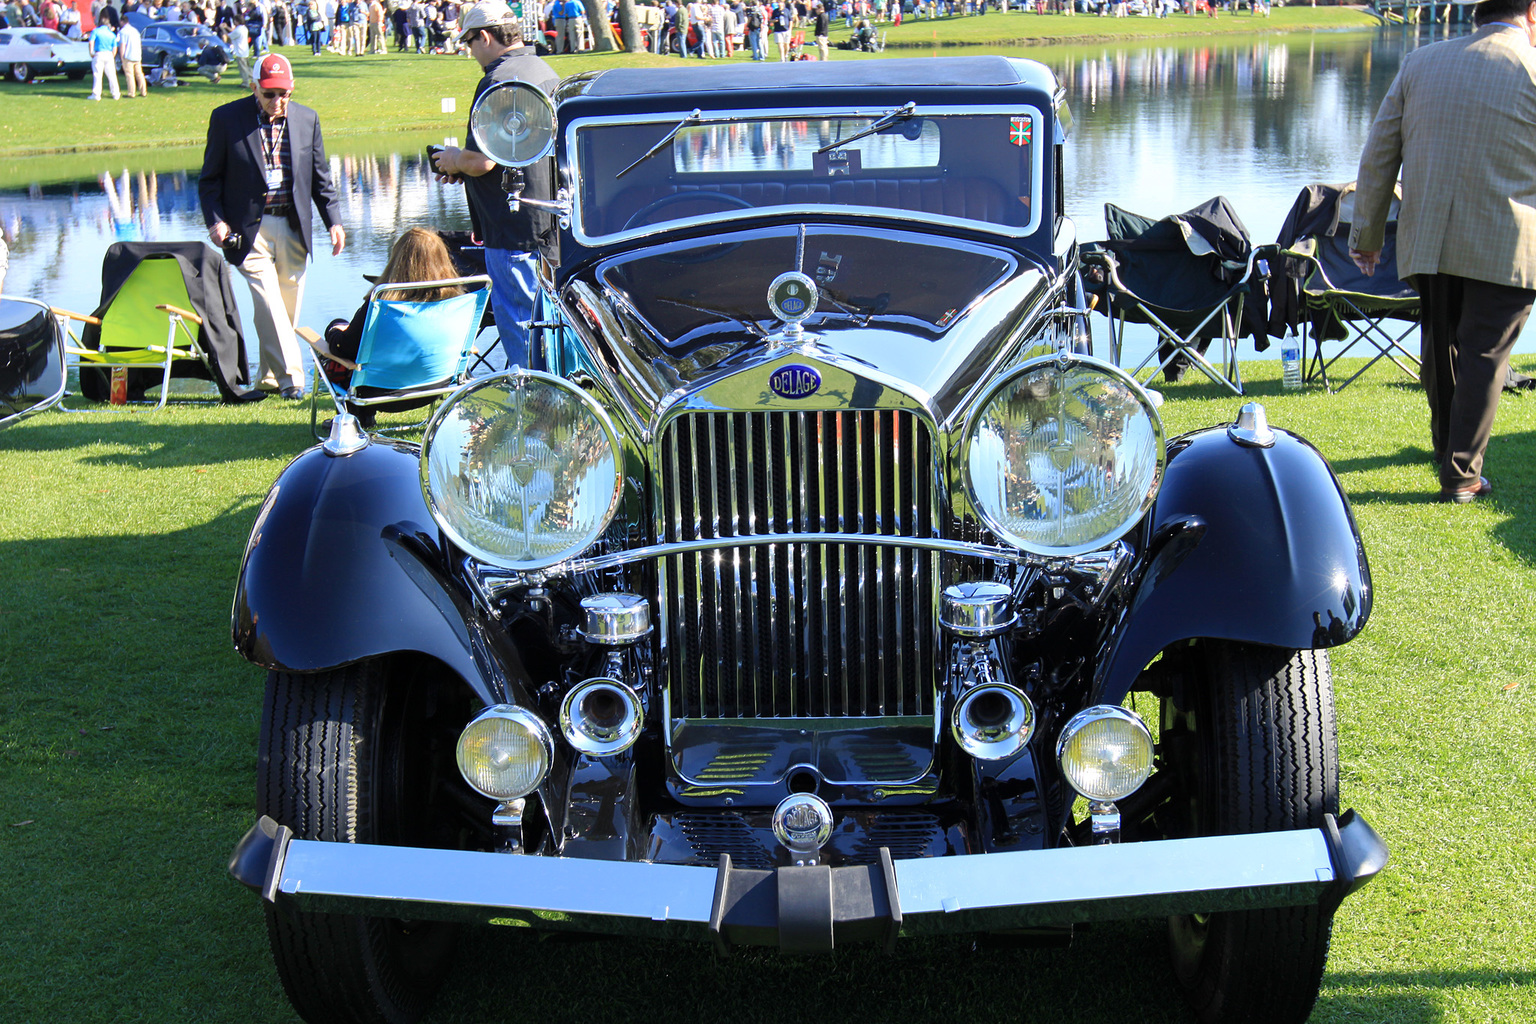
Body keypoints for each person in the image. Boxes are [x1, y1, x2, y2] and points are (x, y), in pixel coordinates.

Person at [1350, 0, 1536, 504]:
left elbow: (1380, 150)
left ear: (1478, 12)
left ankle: (1446, 450)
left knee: (1441, 345)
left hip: (1429, 234)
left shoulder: (1420, 62)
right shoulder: (1532, 68)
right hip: (1509, 237)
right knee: (1484, 353)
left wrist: (1366, 234)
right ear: (1532, 13)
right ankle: (1461, 475)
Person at [199, 53, 346, 398]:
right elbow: (209, 182)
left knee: (284, 311)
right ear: (253, 88)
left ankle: (267, 378)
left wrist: (334, 222)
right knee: (269, 303)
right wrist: (216, 223)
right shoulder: (226, 119)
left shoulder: (307, 119)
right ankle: (294, 379)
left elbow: (320, 178)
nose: (278, 101)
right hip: (248, 232)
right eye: (270, 94)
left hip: (293, 227)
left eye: (285, 94)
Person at [431, 1, 557, 370]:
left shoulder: (498, 80)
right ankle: (558, 400)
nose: (471, 53)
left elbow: (482, 160)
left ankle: (534, 407)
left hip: (512, 229)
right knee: (549, 326)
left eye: (469, 44)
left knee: (521, 326)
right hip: (552, 225)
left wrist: (454, 159)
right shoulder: (543, 70)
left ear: (484, 36)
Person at [315, 227, 465, 424]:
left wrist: (334, 330)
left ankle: (355, 417)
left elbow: (345, 349)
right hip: (439, 385)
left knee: (336, 345)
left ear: (397, 261)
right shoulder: (456, 303)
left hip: (375, 391)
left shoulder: (381, 303)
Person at [87, 7, 120, 99]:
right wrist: (113, 55)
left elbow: (91, 42)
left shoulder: (96, 31)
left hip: (99, 54)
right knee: (112, 75)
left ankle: (96, 94)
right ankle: (116, 93)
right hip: (109, 54)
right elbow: (115, 47)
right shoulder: (111, 34)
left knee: (97, 74)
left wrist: (91, 52)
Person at [117, 13, 147, 95]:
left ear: (122, 21)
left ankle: (131, 92)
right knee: (139, 74)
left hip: (128, 56)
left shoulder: (123, 32)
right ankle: (143, 91)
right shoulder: (135, 31)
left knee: (129, 75)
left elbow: (123, 45)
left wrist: (122, 57)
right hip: (137, 55)